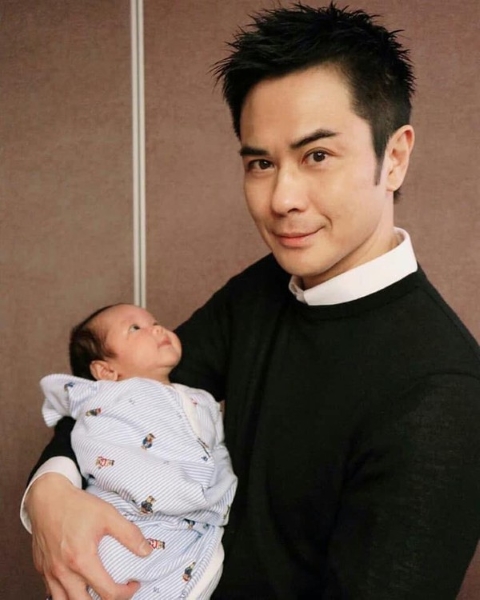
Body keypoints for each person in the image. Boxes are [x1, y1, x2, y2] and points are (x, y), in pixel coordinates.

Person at [23, 4, 480, 599]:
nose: (282, 199)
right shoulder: (265, 286)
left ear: (393, 157)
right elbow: (120, 395)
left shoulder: (444, 393)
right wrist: (50, 493)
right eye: (261, 163)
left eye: (317, 155)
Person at [39, 303, 237, 599]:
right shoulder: (107, 401)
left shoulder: (202, 400)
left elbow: (219, 454)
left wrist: (220, 497)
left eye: (155, 322)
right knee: (109, 569)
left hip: (188, 527)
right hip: (130, 516)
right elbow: (104, 454)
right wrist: (186, 494)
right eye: (135, 328)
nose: (157, 329)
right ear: (106, 370)